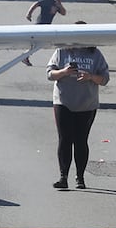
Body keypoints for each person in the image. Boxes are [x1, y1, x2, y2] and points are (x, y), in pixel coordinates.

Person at [46, 32, 109, 189]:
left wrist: (90, 77)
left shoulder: (95, 54)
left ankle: (80, 178)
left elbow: (105, 79)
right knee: (65, 138)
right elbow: (50, 74)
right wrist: (64, 72)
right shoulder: (62, 51)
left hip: (87, 104)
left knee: (81, 140)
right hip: (63, 101)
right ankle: (63, 177)